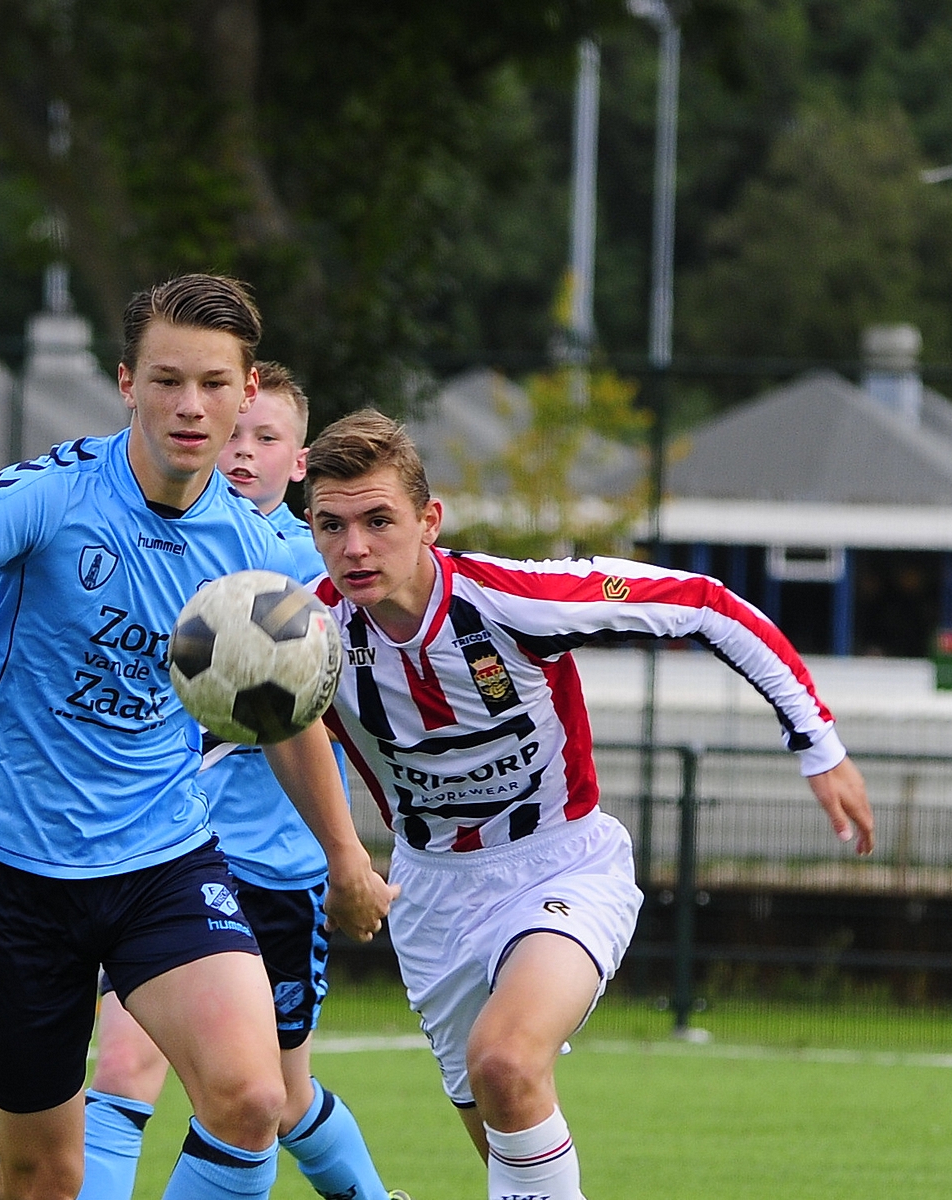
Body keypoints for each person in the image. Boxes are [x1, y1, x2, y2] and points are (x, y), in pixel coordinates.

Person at [0, 274, 396, 1200]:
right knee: (44, 1175)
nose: (190, 405)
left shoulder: (264, 554)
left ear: (249, 394)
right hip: (15, 866)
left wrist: (345, 856)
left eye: (213, 383)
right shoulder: (48, 495)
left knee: (250, 1098)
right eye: (168, 380)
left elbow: (286, 717)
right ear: (128, 383)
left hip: (161, 857)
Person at [300, 410, 875, 1200]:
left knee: (503, 1060)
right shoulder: (304, 632)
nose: (354, 546)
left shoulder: (517, 601)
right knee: (500, 1130)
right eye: (330, 525)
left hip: (561, 864)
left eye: (378, 520)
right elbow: (251, 725)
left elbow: (704, 603)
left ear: (429, 521)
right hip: (429, 894)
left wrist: (820, 744)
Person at [78, 362, 398, 1200]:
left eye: (270, 438)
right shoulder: (152, 548)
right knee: (122, 1064)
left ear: (300, 464)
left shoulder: (318, 566)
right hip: (166, 858)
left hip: (279, 870)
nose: (245, 452)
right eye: (237, 433)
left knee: (280, 1098)